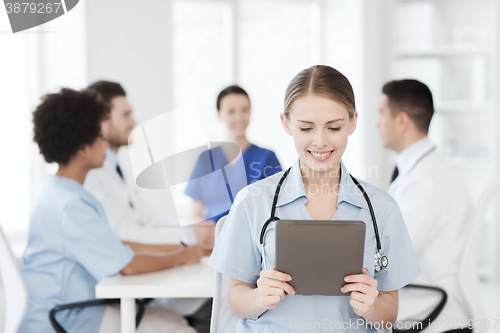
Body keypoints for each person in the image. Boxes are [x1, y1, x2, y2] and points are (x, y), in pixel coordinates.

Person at [207, 65, 421, 332]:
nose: (319, 141)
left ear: (353, 122)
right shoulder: (252, 201)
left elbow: (388, 314)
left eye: (333, 127)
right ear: (286, 124)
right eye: (306, 128)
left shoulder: (382, 209)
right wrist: (259, 297)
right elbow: (235, 300)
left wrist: (372, 306)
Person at [19, 88, 203, 333]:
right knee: (178, 327)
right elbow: (129, 265)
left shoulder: (63, 193)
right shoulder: (70, 205)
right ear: (82, 148)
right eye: (99, 137)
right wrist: (181, 257)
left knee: (171, 318)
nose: (104, 143)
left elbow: (118, 245)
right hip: (68, 317)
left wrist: (180, 248)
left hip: (70, 308)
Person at [84, 80, 212, 333]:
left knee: (210, 305)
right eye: (126, 115)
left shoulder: (114, 168)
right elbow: (125, 233)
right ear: (102, 121)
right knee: (206, 313)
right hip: (112, 294)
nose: (134, 122)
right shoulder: (93, 176)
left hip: (136, 281)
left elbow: (146, 215)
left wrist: (191, 229)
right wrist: (188, 236)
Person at [378, 79, 474, 332]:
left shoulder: (428, 181)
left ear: (401, 121)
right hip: (424, 307)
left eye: (382, 115)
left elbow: (392, 255)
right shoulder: (421, 171)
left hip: (435, 317)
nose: (378, 124)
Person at [184, 85, 282, 245]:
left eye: (244, 109)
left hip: (253, 242)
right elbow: (195, 214)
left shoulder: (266, 158)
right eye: (231, 111)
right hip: (214, 243)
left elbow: (277, 210)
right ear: (219, 114)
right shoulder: (205, 160)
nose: (239, 117)